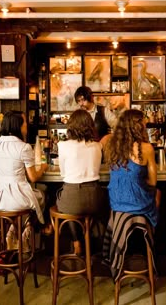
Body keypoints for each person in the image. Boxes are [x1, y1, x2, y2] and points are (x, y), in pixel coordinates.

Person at [0, 110, 48, 250]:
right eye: (25, 123)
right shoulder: (24, 147)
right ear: (18, 126)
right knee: (42, 196)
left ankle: (11, 233)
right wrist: (43, 167)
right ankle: (25, 233)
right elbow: (33, 177)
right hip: (18, 196)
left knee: (21, 203)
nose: (27, 125)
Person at [56, 109, 108, 254]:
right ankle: (90, 236)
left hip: (72, 198)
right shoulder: (97, 146)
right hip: (95, 199)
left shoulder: (63, 146)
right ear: (90, 126)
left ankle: (76, 241)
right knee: (79, 204)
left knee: (67, 203)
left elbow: (63, 174)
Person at [103, 109, 158, 226]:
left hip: (116, 203)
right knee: (158, 193)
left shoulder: (111, 145)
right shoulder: (147, 148)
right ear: (139, 127)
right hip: (139, 205)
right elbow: (153, 182)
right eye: (144, 123)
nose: (146, 125)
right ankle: (149, 234)